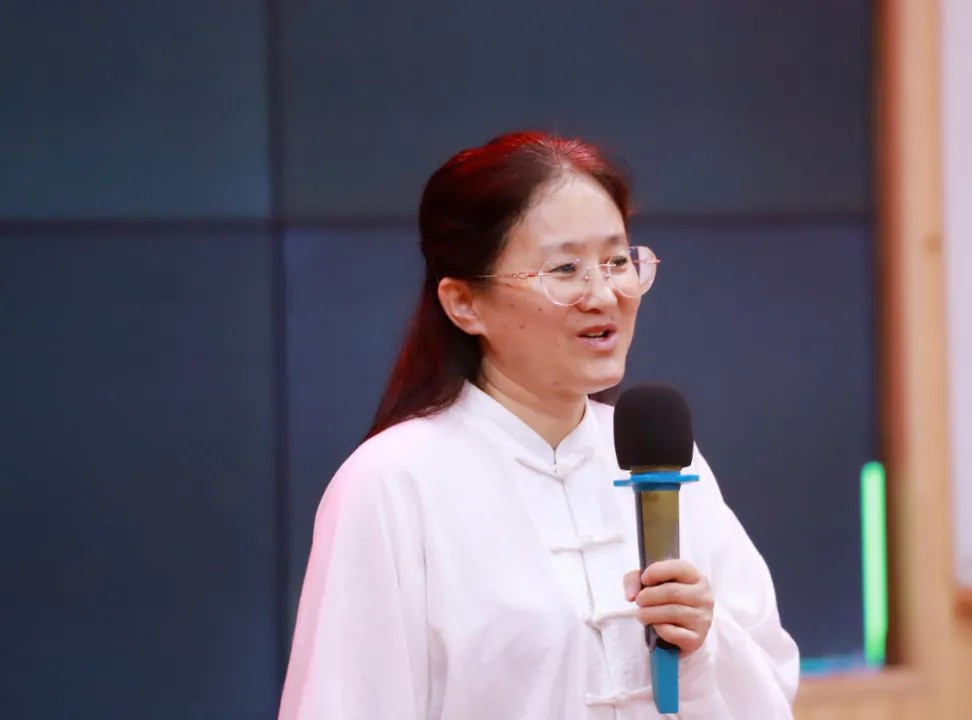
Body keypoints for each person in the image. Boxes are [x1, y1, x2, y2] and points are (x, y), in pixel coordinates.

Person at [278, 131, 799, 719]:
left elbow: (771, 682)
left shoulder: (666, 460)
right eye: (565, 268)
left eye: (617, 261)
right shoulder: (391, 481)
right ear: (464, 303)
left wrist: (704, 641)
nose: (604, 294)